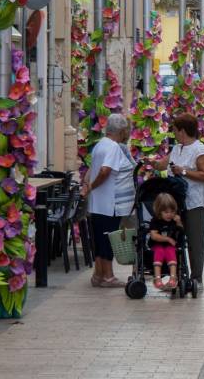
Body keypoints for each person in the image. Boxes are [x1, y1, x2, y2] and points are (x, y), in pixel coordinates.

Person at [146, 113, 204, 286]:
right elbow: (163, 163)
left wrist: (183, 171)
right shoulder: (177, 148)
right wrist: (152, 162)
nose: (174, 134)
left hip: (195, 202)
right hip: (176, 203)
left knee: (195, 241)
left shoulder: (200, 150)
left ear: (182, 131)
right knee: (179, 237)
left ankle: (197, 278)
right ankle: (183, 273)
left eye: (175, 130)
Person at [83, 113, 135, 288]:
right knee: (107, 239)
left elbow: (92, 168)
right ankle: (108, 276)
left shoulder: (100, 145)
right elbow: (105, 171)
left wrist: (88, 184)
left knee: (99, 238)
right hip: (109, 203)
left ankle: (98, 274)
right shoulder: (113, 147)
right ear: (120, 131)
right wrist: (93, 185)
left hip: (98, 203)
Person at [149, 193, 183, 290]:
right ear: (160, 212)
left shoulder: (173, 221)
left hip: (169, 246)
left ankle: (173, 277)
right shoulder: (155, 221)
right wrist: (167, 239)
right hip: (157, 244)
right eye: (166, 212)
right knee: (159, 251)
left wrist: (179, 222)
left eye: (172, 212)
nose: (170, 215)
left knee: (171, 251)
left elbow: (181, 232)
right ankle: (157, 278)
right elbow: (154, 235)